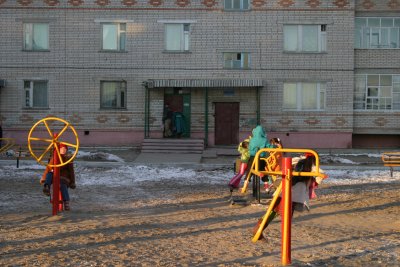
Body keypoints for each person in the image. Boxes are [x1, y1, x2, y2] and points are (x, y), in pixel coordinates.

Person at [253, 153, 327, 240]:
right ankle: (263, 230)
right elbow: (320, 175)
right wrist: (317, 179)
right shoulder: (312, 166)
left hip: (283, 189)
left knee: (274, 211)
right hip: (294, 194)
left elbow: (285, 164)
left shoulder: (296, 160)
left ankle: (259, 228)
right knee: (284, 215)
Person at [40, 143, 76, 211]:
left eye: (65, 149)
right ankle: (47, 187)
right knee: (50, 174)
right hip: (55, 175)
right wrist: (44, 177)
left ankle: (66, 201)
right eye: (62, 149)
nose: (64, 150)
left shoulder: (68, 158)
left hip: (64, 177)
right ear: (59, 149)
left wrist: (72, 182)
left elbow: (71, 171)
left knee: (62, 184)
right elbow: (49, 167)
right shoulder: (55, 157)